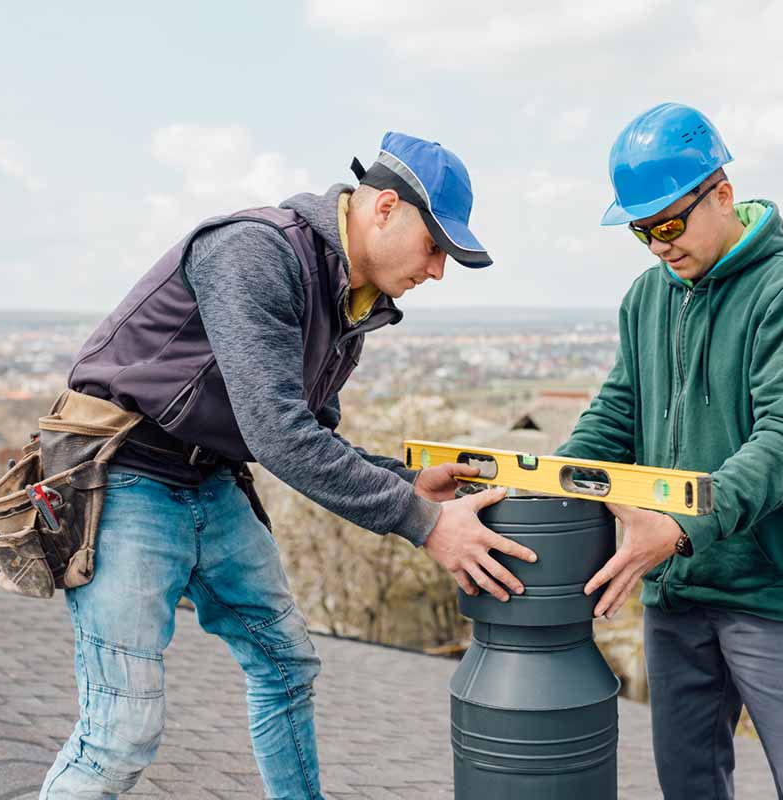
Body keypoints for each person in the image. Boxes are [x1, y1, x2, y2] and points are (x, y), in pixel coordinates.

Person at [39, 131, 537, 799]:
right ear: (385, 208)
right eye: (436, 247)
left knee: (286, 665)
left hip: (209, 479)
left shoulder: (350, 304)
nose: (438, 270)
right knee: (120, 733)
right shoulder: (255, 252)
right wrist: (427, 523)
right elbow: (278, 434)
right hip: (124, 473)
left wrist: (404, 480)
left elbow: (311, 433)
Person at [556, 103, 783, 800]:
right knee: (690, 789)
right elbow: (617, 414)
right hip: (680, 597)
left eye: (669, 223)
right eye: (642, 232)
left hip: (781, 600)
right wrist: (550, 485)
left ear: (722, 194)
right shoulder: (648, 298)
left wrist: (676, 526)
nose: (658, 245)